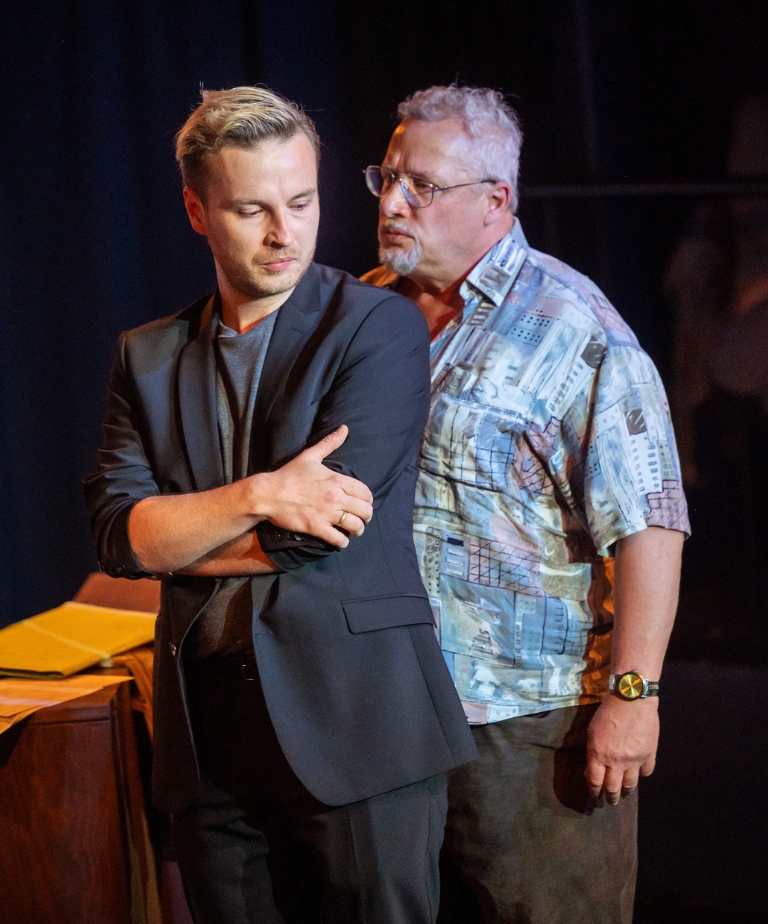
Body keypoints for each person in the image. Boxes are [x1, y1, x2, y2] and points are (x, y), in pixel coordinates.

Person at [84, 86, 476, 924]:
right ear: (197, 211)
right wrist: (262, 494)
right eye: (251, 209)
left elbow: (322, 532)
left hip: (357, 722)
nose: (283, 233)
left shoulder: (377, 327)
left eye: (301, 202)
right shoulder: (146, 356)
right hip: (209, 741)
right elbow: (119, 539)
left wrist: (179, 535)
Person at [361, 85, 689, 924]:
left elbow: (650, 525)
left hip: (526, 724)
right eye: (387, 177)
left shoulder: (575, 327)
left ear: (495, 200)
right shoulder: (365, 310)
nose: (393, 203)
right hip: (382, 710)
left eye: (422, 186)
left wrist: (634, 696)